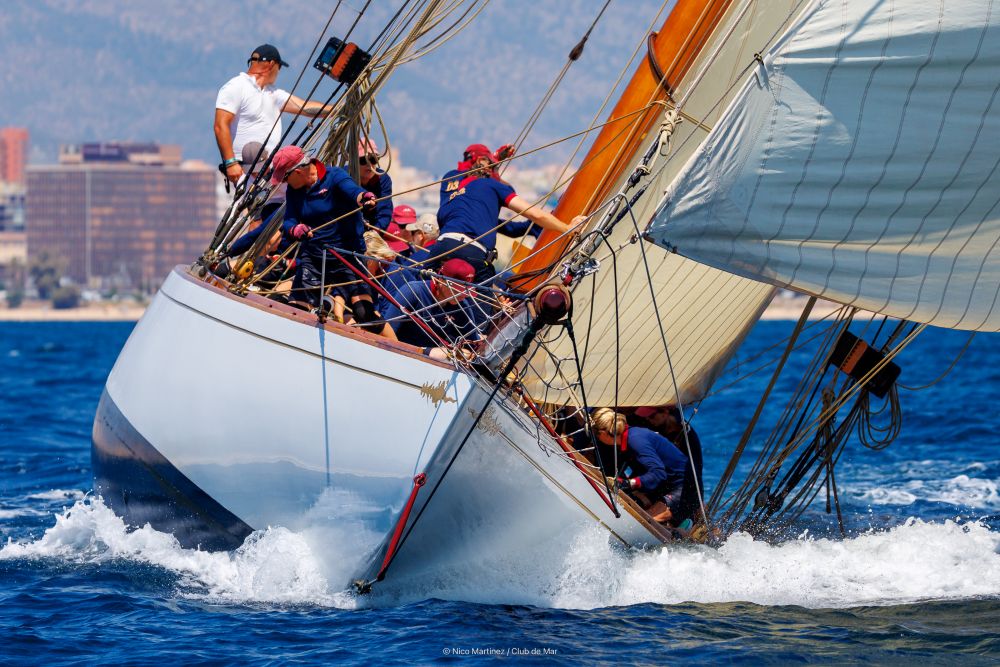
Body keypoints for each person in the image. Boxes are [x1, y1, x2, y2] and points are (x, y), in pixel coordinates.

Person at [269, 145, 378, 319]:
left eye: (285, 178)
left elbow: (354, 192)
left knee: (364, 314)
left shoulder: (334, 176)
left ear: (297, 172)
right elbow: (289, 219)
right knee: (297, 312)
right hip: (314, 258)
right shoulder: (294, 191)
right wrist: (295, 229)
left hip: (348, 255)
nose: (284, 183)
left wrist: (364, 198)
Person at [430, 159, 578, 284]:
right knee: (485, 305)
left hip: (441, 247)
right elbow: (535, 215)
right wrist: (567, 228)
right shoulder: (492, 185)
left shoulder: (454, 196)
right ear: (490, 173)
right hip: (473, 252)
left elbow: (509, 228)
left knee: (423, 288)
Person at [215, 44, 332, 185]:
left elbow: (305, 108)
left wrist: (336, 108)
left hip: (272, 171)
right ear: (271, 64)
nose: (278, 72)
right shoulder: (236, 86)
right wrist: (230, 163)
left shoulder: (272, 93)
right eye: (279, 67)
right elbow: (220, 125)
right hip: (246, 170)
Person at [591, 407, 689, 526]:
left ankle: (680, 530)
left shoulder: (635, 440)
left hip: (683, 488)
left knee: (639, 524)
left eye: (595, 435)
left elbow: (658, 473)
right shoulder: (629, 437)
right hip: (665, 485)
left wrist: (628, 483)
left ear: (602, 433)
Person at [379, 258, 483, 359]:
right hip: (398, 354)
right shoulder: (413, 292)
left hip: (430, 360)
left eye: (466, 291)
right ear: (440, 280)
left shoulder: (462, 306)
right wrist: (421, 352)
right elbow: (386, 332)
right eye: (457, 290)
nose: (464, 295)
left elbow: (473, 344)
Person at [634, 404, 704, 526]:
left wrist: (698, 503)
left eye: (651, 416)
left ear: (665, 412)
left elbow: (694, 474)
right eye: (646, 417)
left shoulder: (686, 436)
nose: (648, 420)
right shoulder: (657, 429)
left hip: (684, 490)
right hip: (664, 485)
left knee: (646, 520)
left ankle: (683, 528)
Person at [358, 140, 393, 231]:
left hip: (373, 229)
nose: (369, 165)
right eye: (363, 160)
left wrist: (375, 233)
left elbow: (384, 211)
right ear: (354, 162)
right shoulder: (344, 177)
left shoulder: (383, 179)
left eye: (373, 160)